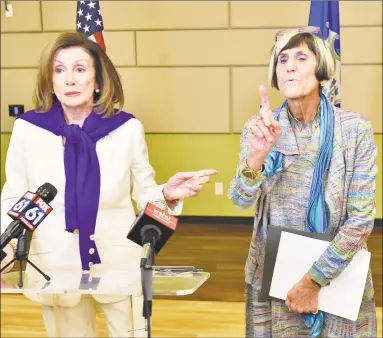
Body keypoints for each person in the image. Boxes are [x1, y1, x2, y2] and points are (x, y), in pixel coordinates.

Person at [0, 32, 217, 337]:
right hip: (54, 262)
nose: (69, 80)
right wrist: (8, 244)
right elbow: (14, 196)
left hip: (117, 260)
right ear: (50, 81)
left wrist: (166, 194)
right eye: (59, 70)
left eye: (80, 69)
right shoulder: (28, 130)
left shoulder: (127, 129)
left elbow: (143, 192)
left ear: (98, 79)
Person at [228, 26, 377, 337]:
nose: (289, 67)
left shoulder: (354, 129)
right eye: (282, 60)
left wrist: (313, 281)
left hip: (338, 276)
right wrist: (256, 156)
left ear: (322, 70)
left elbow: (361, 220)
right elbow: (240, 199)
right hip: (275, 275)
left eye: (300, 58)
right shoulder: (260, 128)